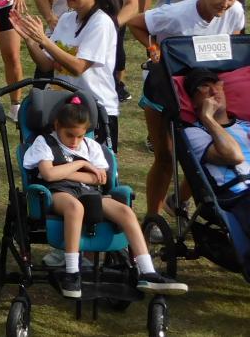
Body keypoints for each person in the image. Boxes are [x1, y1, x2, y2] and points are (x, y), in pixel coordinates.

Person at [20, 96, 187, 297]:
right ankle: (72, 273)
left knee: (125, 211)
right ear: (56, 126)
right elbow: (49, 175)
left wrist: (67, 170)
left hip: (90, 193)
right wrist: (82, 164)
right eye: (69, 135)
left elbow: (99, 179)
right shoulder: (44, 142)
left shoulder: (91, 146)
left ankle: (147, 271)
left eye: (80, 136)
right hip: (58, 192)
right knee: (75, 208)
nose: (75, 142)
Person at [127, 0, 245, 218]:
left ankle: (177, 200)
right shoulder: (176, 14)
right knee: (166, 157)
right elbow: (135, 23)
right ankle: (153, 216)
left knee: (205, 155)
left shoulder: (235, 12)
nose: (225, 3)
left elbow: (233, 43)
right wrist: (154, 51)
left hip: (206, 93)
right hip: (164, 90)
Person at [18, 0, 125, 149]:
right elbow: (46, 66)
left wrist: (44, 40)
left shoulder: (101, 23)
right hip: (64, 107)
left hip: (95, 112)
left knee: (95, 173)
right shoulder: (67, 18)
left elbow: (78, 67)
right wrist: (30, 41)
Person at [182, 68, 250, 241]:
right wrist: (207, 118)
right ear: (194, 102)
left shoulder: (245, 125)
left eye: (217, 85)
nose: (214, 91)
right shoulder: (195, 133)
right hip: (236, 196)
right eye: (204, 87)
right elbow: (234, 156)